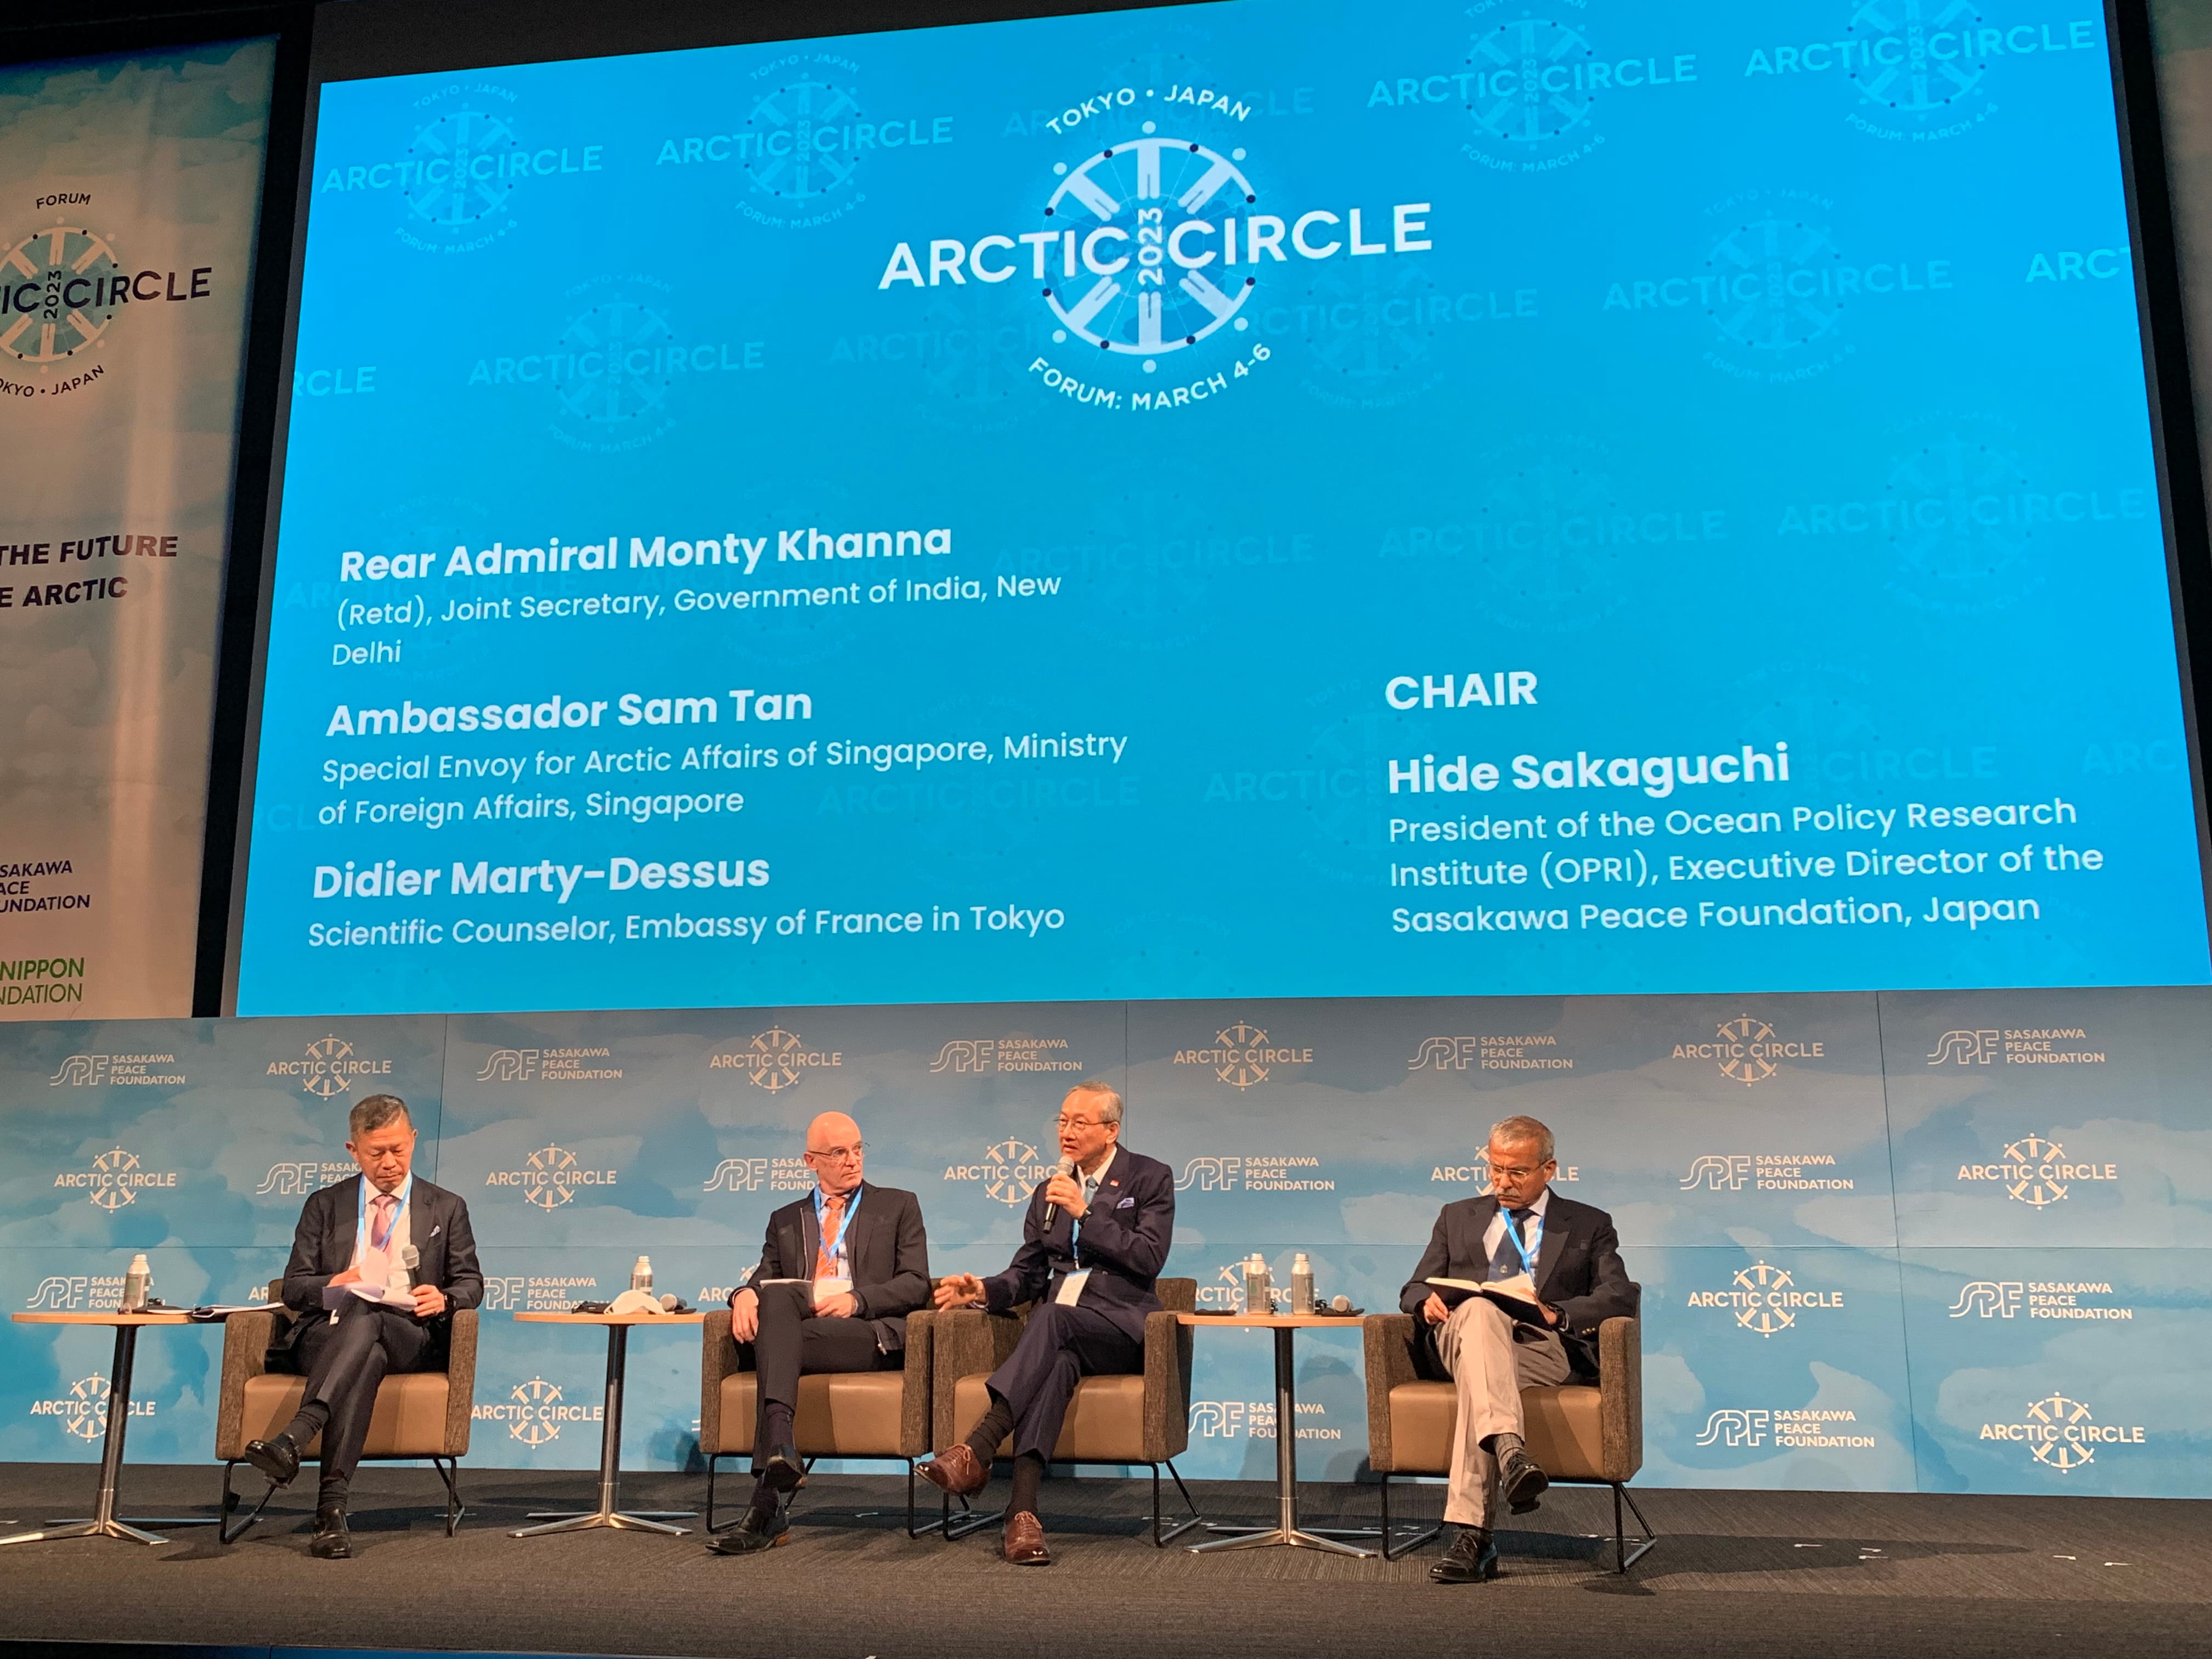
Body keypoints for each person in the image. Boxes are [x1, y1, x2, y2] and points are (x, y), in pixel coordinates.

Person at [918, 1080, 1171, 1566]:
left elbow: (1149, 1257)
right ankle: (1023, 1516)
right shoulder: (1047, 1193)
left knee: (1053, 1318)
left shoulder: (1149, 1178)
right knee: (1055, 1363)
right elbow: (1029, 1274)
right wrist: (984, 1292)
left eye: (1080, 1122)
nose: (1067, 1131)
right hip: (1064, 1334)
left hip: (1122, 1329)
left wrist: (1088, 1212)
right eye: (1062, 1120)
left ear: (1111, 1130)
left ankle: (978, 1448)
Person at [1399, 1113, 1637, 1584]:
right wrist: (1423, 1303)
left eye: (1518, 1173)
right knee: (1482, 1311)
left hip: (1539, 1346)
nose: (1503, 1183)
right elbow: (1413, 1287)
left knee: (1482, 1383)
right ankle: (1510, 1452)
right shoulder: (1457, 1215)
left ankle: (1474, 1540)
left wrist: (1557, 1315)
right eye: (1495, 1170)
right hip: (1459, 1336)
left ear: (1549, 1169)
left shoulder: (1588, 1224)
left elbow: (1619, 1294)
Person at [244, 1094, 483, 1559]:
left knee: (372, 1315)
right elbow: (292, 1288)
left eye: (399, 1149)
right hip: (326, 1334)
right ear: (353, 1151)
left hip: (407, 1334)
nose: (390, 1163)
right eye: (377, 1153)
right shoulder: (325, 1204)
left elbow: (471, 1281)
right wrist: (337, 1282)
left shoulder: (446, 1207)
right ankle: (330, 1511)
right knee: (362, 1322)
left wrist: (447, 1298)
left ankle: (296, 1435)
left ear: (413, 1140)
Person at [707, 1110, 930, 1555]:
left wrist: (857, 1301)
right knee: (773, 1299)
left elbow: (916, 1282)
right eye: (838, 1153)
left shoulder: (898, 1205)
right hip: (804, 1335)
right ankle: (778, 1464)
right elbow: (764, 1279)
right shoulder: (786, 1219)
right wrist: (741, 1296)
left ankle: (770, 1486)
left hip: (866, 1333)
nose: (852, 1160)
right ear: (811, 1161)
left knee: (775, 1345)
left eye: (857, 1149)